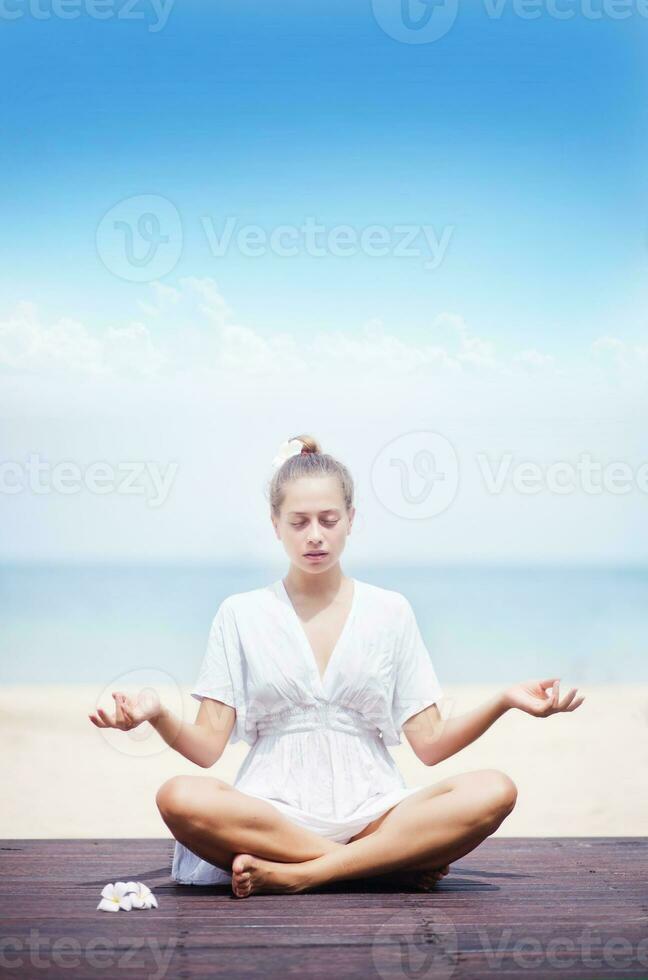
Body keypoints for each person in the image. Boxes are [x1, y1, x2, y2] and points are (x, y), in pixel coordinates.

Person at [89, 434, 585, 899]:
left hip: (375, 813)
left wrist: (503, 701)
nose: (315, 536)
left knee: (494, 789)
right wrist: (156, 713)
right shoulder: (241, 613)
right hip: (271, 814)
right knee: (178, 796)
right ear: (274, 524)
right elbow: (207, 748)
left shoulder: (390, 611)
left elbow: (430, 745)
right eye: (299, 521)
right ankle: (377, 866)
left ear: (352, 518)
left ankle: (305, 875)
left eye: (328, 519)